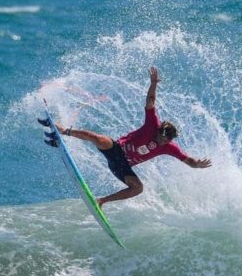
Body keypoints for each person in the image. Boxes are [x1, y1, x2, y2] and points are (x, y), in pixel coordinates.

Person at [40, 67, 212, 207]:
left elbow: (186, 159)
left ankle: (101, 201)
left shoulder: (169, 147)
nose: (161, 141)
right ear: (159, 130)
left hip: (122, 166)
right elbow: (151, 101)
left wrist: (196, 164)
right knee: (98, 138)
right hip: (115, 150)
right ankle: (62, 131)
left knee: (138, 188)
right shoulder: (152, 124)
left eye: (166, 140)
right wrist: (153, 84)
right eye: (161, 136)